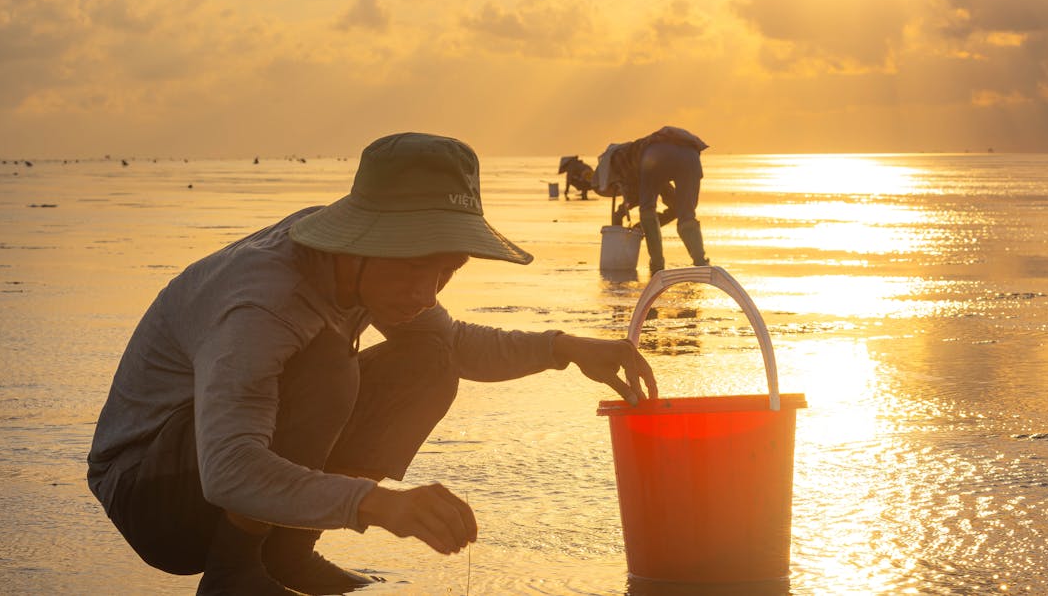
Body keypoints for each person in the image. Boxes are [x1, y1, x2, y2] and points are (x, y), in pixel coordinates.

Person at [86, 132, 658, 596]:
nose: (426, 292)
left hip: (214, 473)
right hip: (151, 493)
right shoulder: (263, 302)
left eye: (447, 271)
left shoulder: (362, 268)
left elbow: (454, 345)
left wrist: (564, 348)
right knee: (327, 365)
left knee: (430, 359)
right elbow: (230, 468)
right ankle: (233, 575)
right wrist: (377, 505)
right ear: (361, 243)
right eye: (413, 268)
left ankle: (288, 551)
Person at [607, 126, 710, 274]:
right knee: (687, 215)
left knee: (647, 209)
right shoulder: (638, 149)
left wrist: (623, 211)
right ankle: (701, 262)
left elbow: (636, 194)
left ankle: (657, 263)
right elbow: (667, 194)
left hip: (655, 158)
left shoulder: (625, 160)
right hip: (691, 157)